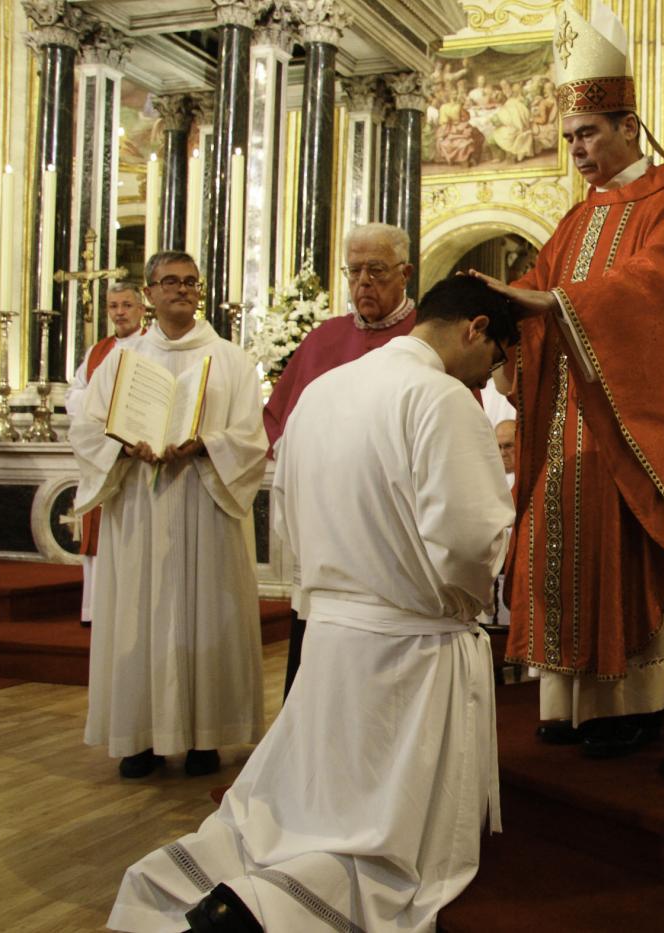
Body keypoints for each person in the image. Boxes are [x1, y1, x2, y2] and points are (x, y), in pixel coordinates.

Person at [107, 274, 518, 933]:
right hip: (410, 647)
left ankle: (229, 889)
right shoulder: (440, 397)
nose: (487, 372)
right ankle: (269, 909)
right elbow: (470, 538)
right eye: (493, 355)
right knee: (381, 831)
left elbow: (287, 515)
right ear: (475, 328)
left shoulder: (323, 392)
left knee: (319, 799)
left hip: (330, 633)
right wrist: (466, 605)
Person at [471, 3, 664, 759]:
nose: (579, 152)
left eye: (589, 134)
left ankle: (633, 700)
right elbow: (538, 283)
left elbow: (661, 292)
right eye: (569, 140)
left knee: (615, 519)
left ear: (628, 124)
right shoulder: (575, 219)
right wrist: (497, 310)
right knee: (558, 521)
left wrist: (560, 303)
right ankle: (572, 697)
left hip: (644, 423)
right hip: (567, 419)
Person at [69, 251, 266, 780]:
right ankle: (141, 737)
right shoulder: (121, 361)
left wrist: (207, 443)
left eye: (191, 283)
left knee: (208, 613)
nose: (182, 290)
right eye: (170, 282)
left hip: (206, 502)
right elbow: (87, 428)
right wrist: (123, 445)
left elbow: (253, 437)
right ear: (150, 293)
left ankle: (207, 737)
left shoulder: (231, 360)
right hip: (140, 505)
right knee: (139, 613)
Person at [263, 222, 418, 697]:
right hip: (326, 526)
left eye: (376, 270)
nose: (363, 283)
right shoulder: (323, 340)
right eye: (354, 272)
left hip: (393, 524)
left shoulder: (426, 337)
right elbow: (277, 422)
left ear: (405, 273)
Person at [65, 281, 146, 628]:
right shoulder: (98, 351)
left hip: (133, 454)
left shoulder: (150, 346)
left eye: (126, 305)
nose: (119, 312)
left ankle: (125, 609)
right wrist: (98, 404)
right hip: (101, 450)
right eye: (113, 306)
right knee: (96, 529)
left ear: (141, 308)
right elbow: (76, 392)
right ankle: (93, 610)